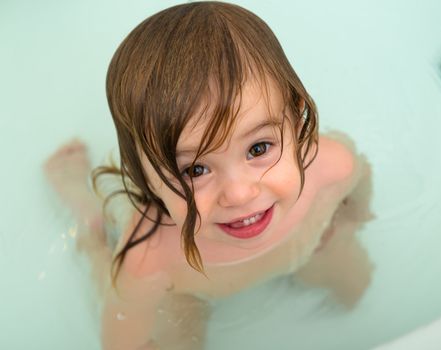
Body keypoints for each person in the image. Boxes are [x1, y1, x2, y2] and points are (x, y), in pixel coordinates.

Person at [44, 2, 375, 349]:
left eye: (259, 148)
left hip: (305, 246)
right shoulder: (150, 258)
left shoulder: (333, 167)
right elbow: (124, 340)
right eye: (195, 170)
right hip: (188, 290)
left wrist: (347, 224)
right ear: (145, 178)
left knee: (356, 288)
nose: (239, 193)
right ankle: (91, 226)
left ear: (296, 120)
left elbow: (359, 189)